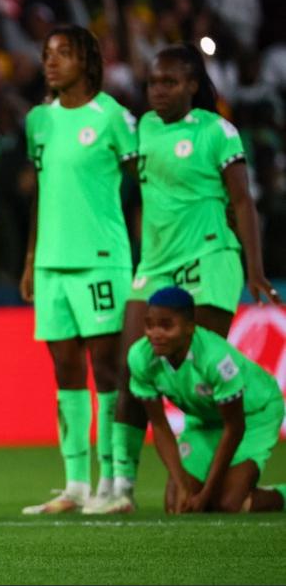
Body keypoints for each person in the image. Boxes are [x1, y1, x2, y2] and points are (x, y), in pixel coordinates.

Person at [92, 44, 285, 514]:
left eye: (170, 82)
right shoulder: (144, 129)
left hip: (209, 260)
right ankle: (120, 488)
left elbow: (242, 200)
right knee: (129, 370)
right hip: (155, 265)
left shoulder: (217, 131)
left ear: (192, 85)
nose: (158, 90)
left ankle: (225, 467)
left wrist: (255, 268)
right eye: (153, 82)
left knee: (198, 366)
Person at [19, 25, 138, 515]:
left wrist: (149, 252)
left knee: (108, 370)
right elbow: (43, 192)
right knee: (66, 372)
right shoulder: (38, 120)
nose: (50, 62)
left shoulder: (114, 117)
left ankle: (113, 481)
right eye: (47, 54)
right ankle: (76, 486)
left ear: (87, 60)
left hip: (101, 261)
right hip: (51, 263)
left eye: (63, 53)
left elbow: (145, 187)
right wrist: (31, 258)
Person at [128, 287, 286, 514]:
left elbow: (234, 427)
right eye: (149, 325)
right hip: (204, 420)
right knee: (176, 506)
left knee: (226, 505)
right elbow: (160, 425)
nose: (155, 334)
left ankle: (280, 494)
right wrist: (183, 485)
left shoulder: (215, 359)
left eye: (166, 325)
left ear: (190, 327)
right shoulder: (140, 357)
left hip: (254, 414)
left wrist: (207, 493)